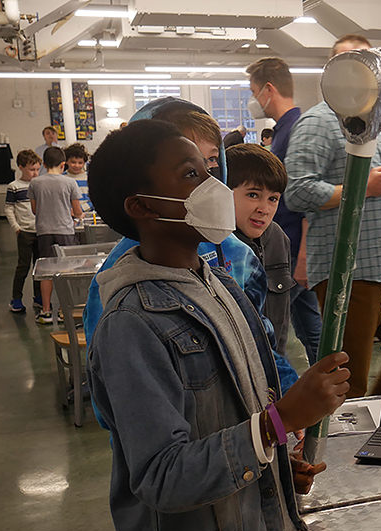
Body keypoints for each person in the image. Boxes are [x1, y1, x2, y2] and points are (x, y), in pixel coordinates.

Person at [85, 119, 349, 531]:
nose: (213, 187)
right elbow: (163, 475)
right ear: (142, 205)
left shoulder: (218, 282)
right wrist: (280, 422)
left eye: (210, 170)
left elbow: (234, 411)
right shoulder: (131, 323)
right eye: (190, 174)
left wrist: (273, 463)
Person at [82, 97, 299, 397]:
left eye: (211, 162)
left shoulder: (238, 257)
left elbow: (260, 342)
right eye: (189, 171)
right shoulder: (116, 283)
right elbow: (112, 390)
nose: (209, 182)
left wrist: (288, 400)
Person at [284, 33, 381, 397]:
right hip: (349, 273)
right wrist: (362, 188)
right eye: (354, 62)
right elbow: (296, 190)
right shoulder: (320, 122)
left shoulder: (375, 121)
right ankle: (342, 446)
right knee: (348, 380)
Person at [246, 56, 323, 367]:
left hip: (290, 252)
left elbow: (308, 199)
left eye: (253, 93)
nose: (253, 101)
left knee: (268, 330)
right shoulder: (282, 130)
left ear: (268, 89)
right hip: (285, 248)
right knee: (311, 329)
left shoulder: (297, 131)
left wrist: (304, 255)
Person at [227, 143, 294, 356]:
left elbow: (281, 318)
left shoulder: (277, 238)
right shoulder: (213, 245)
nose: (264, 209)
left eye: (272, 199)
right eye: (253, 195)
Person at [28, 146, 82, 324]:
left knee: (47, 271)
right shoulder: (69, 183)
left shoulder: (35, 183)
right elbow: (77, 210)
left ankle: (45, 311)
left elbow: (35, 210)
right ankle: (63, 310)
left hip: (44, 231)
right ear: (63, 164)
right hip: (65, 231)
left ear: (43, 164)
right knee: (66, 271)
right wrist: (77, 217)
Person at [6, 149, 42, 314]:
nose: (35, 173)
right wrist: (16, 228)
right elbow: (9, 209)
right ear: (21, 167)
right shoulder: (14, 187)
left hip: (40, 231)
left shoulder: (40, 184)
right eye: (31, 169)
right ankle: (16, 298)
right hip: (25, 232)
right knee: (23, 266)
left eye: (37, 169)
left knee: (39, 266)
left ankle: (39, 297)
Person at [64, 143, 92, 213]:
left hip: (88, 214)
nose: (76, 166)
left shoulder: (89, 177)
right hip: (68, 215)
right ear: (67, 161)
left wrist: (79, 209)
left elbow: (95, 199)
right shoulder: (62, 178)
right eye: (73, 162)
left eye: (80, 163)